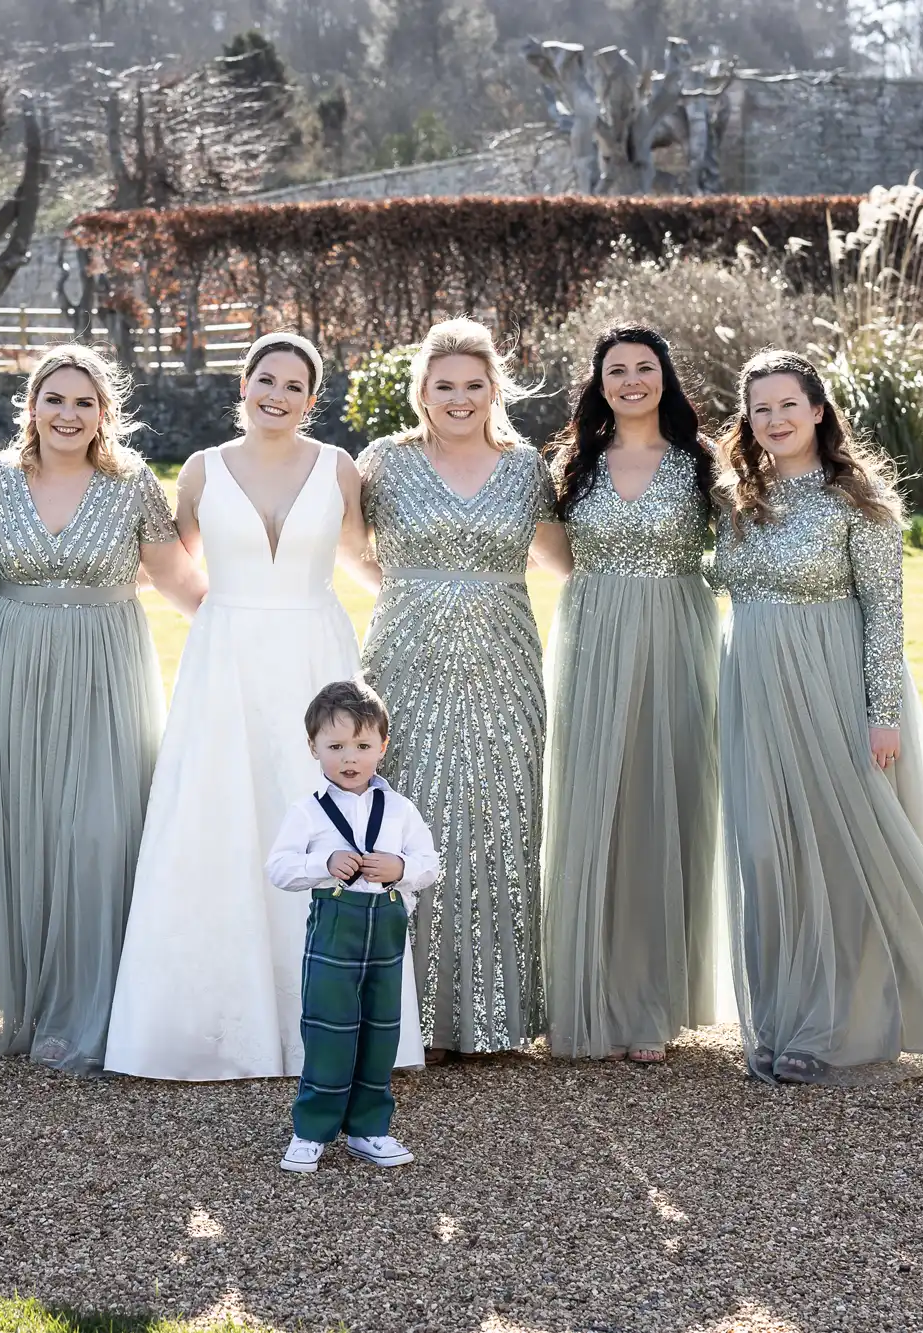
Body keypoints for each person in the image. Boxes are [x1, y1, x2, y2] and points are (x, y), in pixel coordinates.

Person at [105, 332, 425, 1081]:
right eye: (265, 379)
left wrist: (421, 605)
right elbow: (170, 563)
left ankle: (329, 1022)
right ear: (243, 385)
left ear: (312, 400)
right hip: (226, 664)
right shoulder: (200, 470)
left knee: (321, 809)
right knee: (221, 819)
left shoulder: (340, 469)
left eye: (294, 385)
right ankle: (213, 1027)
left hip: (316, 652)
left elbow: (359, 555)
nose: (277, 394)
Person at [711, 348, 923, 1083]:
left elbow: (885, 614)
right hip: (752, 685)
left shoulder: (859, 502)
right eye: (760, 408)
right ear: (748, 420)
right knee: (764, 850)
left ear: (819, 410)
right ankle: (780, 1010)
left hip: (830, 683)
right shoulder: (736, 497)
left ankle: (826, 1027)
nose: (775, 418)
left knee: (836, 851)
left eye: (788, 404)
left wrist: (880, 714)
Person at [0, 345, 206, 1074]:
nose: (69, 414)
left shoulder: (132, 487)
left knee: (98, 832)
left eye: (84, 401)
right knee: (22, 831)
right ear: (30, 405)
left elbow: (177, 581)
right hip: (8, 664)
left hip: (105, 668)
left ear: (105, 412)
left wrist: (250, 628)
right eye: (55, 399)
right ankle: (28, 1007)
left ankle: (90, 1009)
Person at [353, 317, 566, 1058]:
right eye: (445, 385)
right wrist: (408, 594)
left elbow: (565, 559)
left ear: (494, 390)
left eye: (475, 385)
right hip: (406, 661)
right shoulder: (384, 461)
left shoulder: (524, 468)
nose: (460, 398)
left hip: (505, 665)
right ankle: (413, 1020)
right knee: (410, 818)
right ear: (421, 391)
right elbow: (348, 545)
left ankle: (495, 1018)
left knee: (499, 822)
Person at [539, 326, 728, 1065]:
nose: (630, 380)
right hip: (590, 636)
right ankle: (587, 995)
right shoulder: (574, 463)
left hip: (677, 639)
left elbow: (746, 542)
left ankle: (650, 1002)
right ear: (599, 383)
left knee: (662, 802)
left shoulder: (701, 463)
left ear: (665, 377)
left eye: (644, 368)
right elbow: (554, 555)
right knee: (594, 805)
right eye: (615, 370)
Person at [266, 680, 438, 1174]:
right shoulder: (307, 812)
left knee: (379, 1031)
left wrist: (401, 869)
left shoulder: (401, 810)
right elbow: (278, 868)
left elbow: (430, 863)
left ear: (382, 747)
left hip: (385, 930)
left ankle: (369, 1128)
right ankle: (311, 1130)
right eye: (336, 746)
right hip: (334, 930)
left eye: (362, 746)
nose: (350, 758)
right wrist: (325, 862)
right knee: (328, 1029)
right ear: (314, 748)